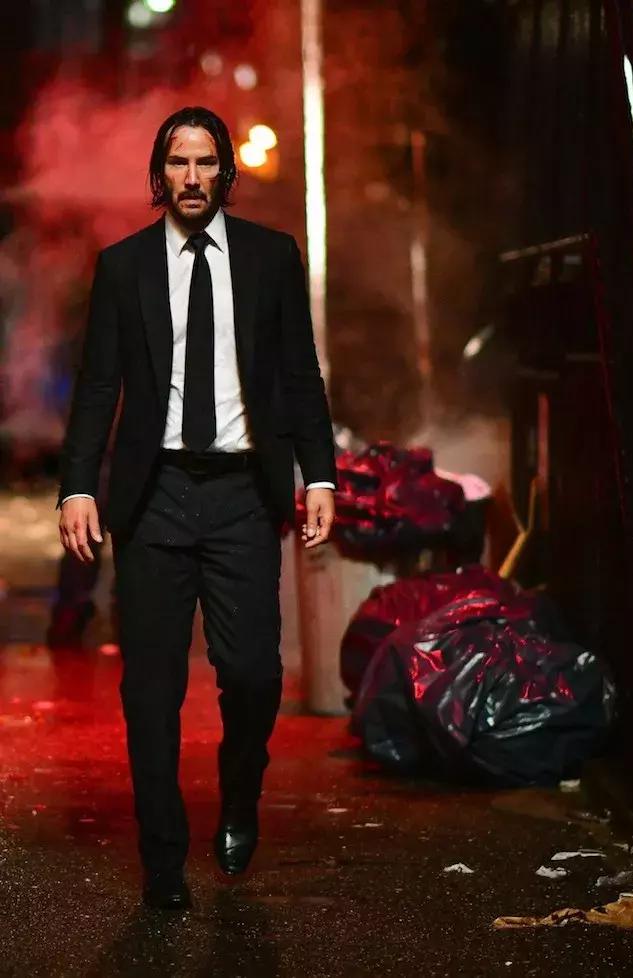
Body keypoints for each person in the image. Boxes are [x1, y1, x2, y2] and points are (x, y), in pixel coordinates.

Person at [56, 106, 337, 911]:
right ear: (159, 174)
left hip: (244, 494)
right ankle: (163, 860)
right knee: (151, 688)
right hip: (154, 497)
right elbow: (98, 386)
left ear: (225, 173)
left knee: (252, 675)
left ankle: (241, 795)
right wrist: (79, 487)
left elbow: (299, 375)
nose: (191, 177)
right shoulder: (124, 267)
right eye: (178, 163)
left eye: (205, 162)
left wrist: (319, 475)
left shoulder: (270, 258)